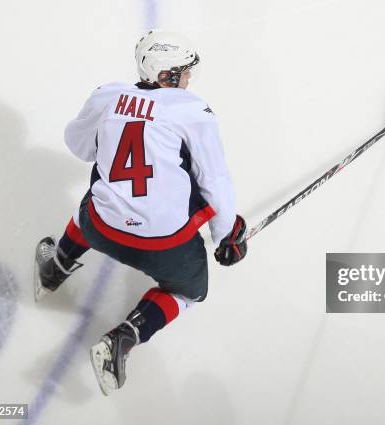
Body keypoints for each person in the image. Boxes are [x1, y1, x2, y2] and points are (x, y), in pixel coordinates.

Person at [33, 29, 248, 396]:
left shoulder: (107, 95)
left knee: (96, 201)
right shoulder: (193, 110)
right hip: (164, 246)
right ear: (167, 74)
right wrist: (227, 235)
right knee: (189, 293)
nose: (190, 77)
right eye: (184, 70)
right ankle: (124, 338)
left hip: (101, 228)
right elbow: (214, 180)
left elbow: (78, 146)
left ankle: (54, 269)